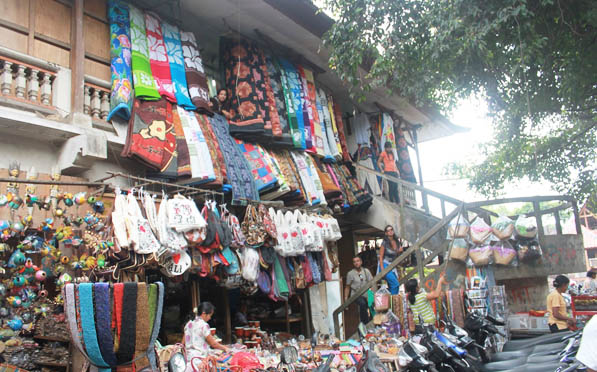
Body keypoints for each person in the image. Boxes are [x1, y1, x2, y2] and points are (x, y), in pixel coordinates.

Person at [183, 302, 230, 366]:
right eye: (210, 315)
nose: (210, 318)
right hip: (200, 360)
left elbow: (183, 343)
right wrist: (225, 348)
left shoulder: (188, 324)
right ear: (204, 314)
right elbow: (213, 344)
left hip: (189, 359)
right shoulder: (204, 325)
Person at [345, 256, 374, 324]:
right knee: (362, 304)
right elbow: (347, 287)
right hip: (356, 294)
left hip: (367, 292)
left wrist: (370, 295)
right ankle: (365, 323)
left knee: (371, 305)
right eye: (354, 262)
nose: (356, 263)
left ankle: (373, 322)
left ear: (361, 262)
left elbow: (371, 283)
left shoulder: (366, 271)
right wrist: (346, 300)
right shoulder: (350, 274)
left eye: (358, 261)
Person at [378, 225, 402, 295]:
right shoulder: (384, 242)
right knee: (395, 284)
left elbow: (396, 254)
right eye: (388, 230)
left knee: (394, 286)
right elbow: (381, 257)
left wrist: (399, 251)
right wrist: (383, 270)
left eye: (391, 229)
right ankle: (393, 301)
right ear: (386, 233)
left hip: (392, 266)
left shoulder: (397, 241)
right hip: (385, 265)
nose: (390, 231)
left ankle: (392, 303)